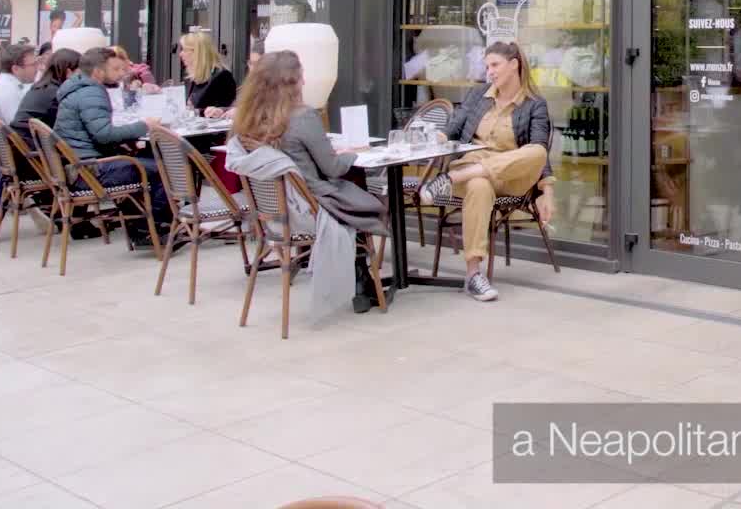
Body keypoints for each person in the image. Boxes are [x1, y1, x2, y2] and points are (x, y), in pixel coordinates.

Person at [231, 51, 389, 313]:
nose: (304, 82)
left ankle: (359, 276)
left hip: (273, 216)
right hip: (310, 211)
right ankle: (361, 278)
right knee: (364, 193)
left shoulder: (247, 121)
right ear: (289, 84)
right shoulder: (302, 117)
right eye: (300, 77)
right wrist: (352, 153)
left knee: (354, 191)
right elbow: (332, 168)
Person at [418, 41, 554, 302]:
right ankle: (473, 275)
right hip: (472, 166)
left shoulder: (534, 104)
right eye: (487, 66)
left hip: (510, 174)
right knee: (479, 185)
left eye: (495, 65)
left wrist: (547, 192)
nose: (489, 71)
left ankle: (451, 179)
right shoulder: (479, 94)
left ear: (513, 65)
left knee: (537, 151)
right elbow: (454, 125)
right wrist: (439, 136)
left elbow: (539, 153)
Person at [52, 46, 172, 245]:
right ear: (98, 72)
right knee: (161, 168)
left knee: (144, 161)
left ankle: (142, 226)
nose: (120, 74)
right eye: (115, 69)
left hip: (77, 168)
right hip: (89, 172)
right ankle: (150, 230)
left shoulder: (77, 88)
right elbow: (104, 135)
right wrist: (145, 126)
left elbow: (97, 134)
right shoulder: (91, 92)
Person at [14, 48, 80, 140]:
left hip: (20, 141)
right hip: (32, 144)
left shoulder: (40, 87)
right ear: (68, 72)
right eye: (79, 73)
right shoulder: (57, 94)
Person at [177, 31, 237, 117]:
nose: (180, 54)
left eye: (184, 50)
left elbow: (222, 112)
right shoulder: (193, 76)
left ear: (198, 52)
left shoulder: (222, 77)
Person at [0, 43, 39, 124]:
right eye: (33, 65)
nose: (37, 68)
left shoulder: (6, 82)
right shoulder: (7, 90)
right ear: (15, 69)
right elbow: (17, 124)